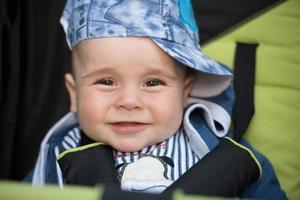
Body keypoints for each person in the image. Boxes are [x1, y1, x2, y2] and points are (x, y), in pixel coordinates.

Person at [26, 0, 287, 199]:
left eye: (153, 83)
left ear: (184, 92)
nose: (129, 101)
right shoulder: (56, 154)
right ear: (74, 94)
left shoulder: (229, 156)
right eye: (106, 82)